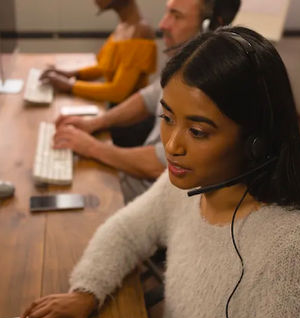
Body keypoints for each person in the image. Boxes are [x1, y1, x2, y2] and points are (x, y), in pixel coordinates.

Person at [16, 27, 300, 318]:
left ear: (255, 141)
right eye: (167, 119)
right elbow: (126, 230)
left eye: (197, 132)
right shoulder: (190, 187)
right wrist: (87, 291)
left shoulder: (298, 254)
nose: (172, 145)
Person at [53, 0, 241, 203]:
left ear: (211, 26)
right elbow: (149, 97)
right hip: (135, 183)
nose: (162, 25)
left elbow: (162, 162)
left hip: (149, 196)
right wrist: (94, 123)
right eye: (167, 13)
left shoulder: (210, 84)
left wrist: (92, 148)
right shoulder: (184, 66)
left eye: (176, 17)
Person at [40, 0, 156, 104]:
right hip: (117, 111)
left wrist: (70, 86)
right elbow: (104, 67)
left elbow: (118, 92)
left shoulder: (140, 31)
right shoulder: (123, 26)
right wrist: (73, 74)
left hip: (131, 120)